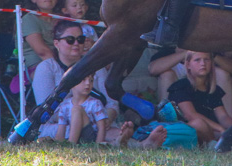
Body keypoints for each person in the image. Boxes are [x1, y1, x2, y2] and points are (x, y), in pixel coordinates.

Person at [32, 21, 166, 148]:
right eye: (70, 40)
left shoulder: (96, 67)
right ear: (56, 43)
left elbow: (111, 101)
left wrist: (105, 117)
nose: (76, 44)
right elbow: (47, 111)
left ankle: (141, 145)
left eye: (80, 39)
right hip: (60, 125)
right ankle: (123, 143)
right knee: (88, 127)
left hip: (99, 121)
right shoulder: (47, 68)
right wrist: (86, 116)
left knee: (109, 129)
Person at [168, 51, 232, 147]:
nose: (203, 64)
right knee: (198, 123)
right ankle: (220, 144)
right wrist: (221, 129)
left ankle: (230, 142)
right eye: (197, 60)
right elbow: (191, 115)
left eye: (206, 60)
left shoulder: (212, 89)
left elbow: (223, 117)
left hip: (209, 130)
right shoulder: (180, 87)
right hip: (187, 130)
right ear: (188, 65)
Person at [148, 48, 232, 116]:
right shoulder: (167, 52)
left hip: (206, 92)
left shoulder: (207, 53)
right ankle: (167, 120)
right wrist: (186, 53)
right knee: (166, 74)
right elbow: (152, 70)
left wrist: (209, 54)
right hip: (177, 97)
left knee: (222, 73)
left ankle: (230, 126)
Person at [54, 74, 108, 144]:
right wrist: (59, 143)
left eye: (91, 80)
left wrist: (98, 145)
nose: (88, 83)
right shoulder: (65, 105)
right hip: (76, 137)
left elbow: (101, 127)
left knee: (77, 109)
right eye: (83, 80)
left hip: (90, 138)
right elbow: (61, 130)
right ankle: (71, 144)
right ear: (71, 82)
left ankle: (71, 145)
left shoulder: (95, 103)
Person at [20, 0, 59, 72]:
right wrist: (63, 69)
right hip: (37, 68)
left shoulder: (62, 19)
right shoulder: (28, 20)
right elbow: (42, 52)